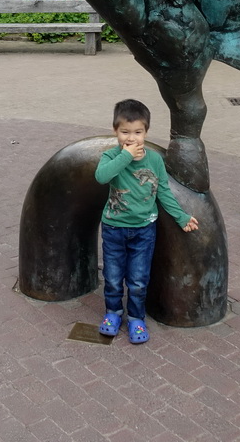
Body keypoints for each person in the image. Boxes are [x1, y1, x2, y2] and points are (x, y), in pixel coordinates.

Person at [95, 99, 199, 343]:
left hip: (143, 230)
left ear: (146, 132)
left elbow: (162, 192)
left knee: (139, 279)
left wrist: (181, 216)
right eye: (125, 132)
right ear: (115, 131)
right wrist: (125, 156)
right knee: (112, 277)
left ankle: (136, 318)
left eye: (138, 133)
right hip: (114, 228)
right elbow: (102, 177)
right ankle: (113, 313)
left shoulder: (154, 161)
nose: (132, 138)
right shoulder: (111, 156)